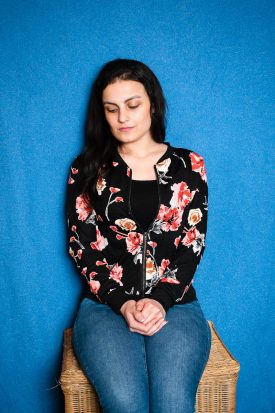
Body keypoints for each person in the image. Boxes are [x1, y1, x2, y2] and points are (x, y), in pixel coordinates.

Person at [66, 58, 211, 413]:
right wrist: (122, 302)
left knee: (173, 405)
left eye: (133, 105)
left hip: (175, 305)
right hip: (105, 308)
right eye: (111, 109)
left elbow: (193, 243)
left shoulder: (190, 166)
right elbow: (81, 246)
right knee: (126, 404)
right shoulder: (87, 168)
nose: (123, 118)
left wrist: (160, 299)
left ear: (152, 103)